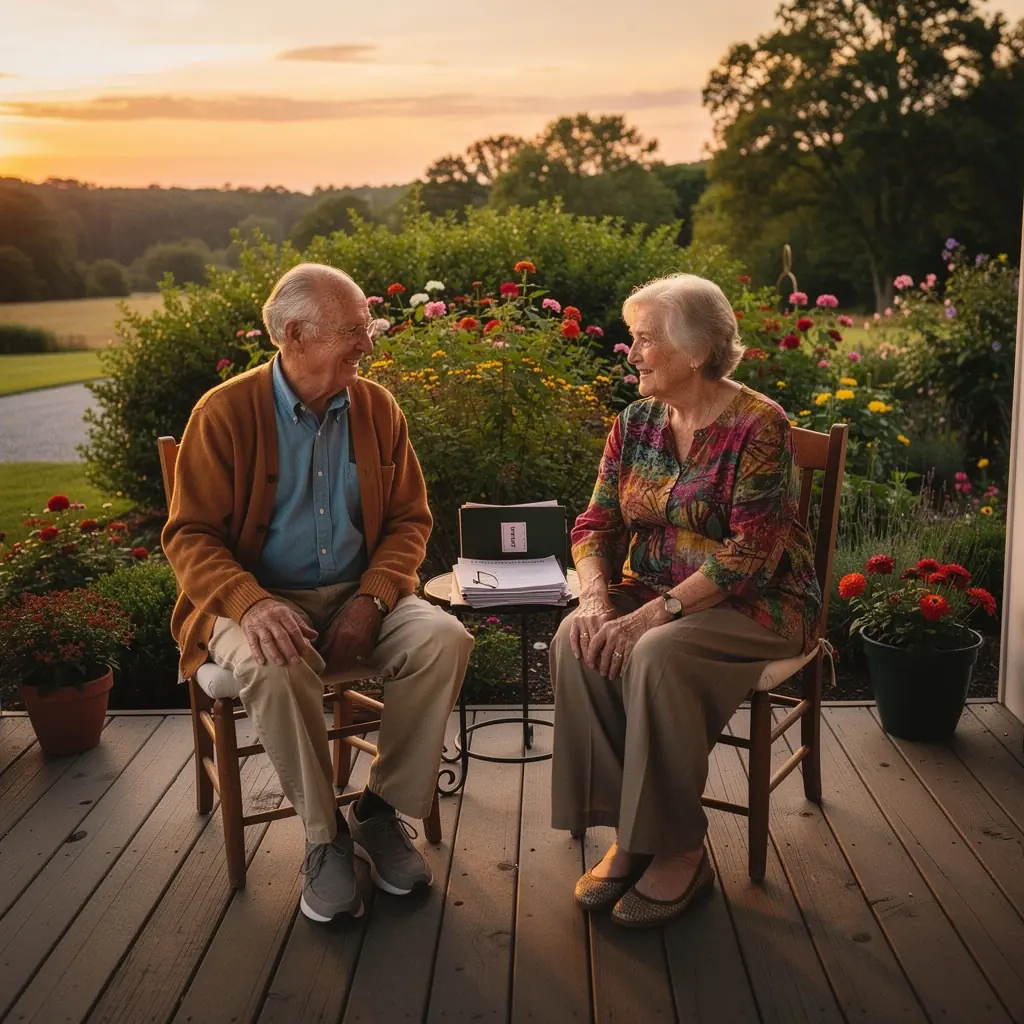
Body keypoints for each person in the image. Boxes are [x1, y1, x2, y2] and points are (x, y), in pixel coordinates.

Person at [163, 263, 473, 924]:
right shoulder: (223, 414)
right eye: (354, 330)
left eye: (367, 328)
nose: (368, 344)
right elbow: (189, 535)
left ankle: (379, 811)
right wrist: (251, 602)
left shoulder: (377, 406)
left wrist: (375, 597)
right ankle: (323, 838)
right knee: (275, 661)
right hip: (253, 597)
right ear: (296, 335)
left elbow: (410, 520)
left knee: (445, 639)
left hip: (360, 591)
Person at [549, 273, 820, 929]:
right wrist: (595, 602)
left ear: (695, 350)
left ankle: (681, 850)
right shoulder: (636, 423)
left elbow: (752, 552)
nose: (632, 352)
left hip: (760, 603)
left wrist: (652, 615)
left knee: (660, 654)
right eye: (633, 339)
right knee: (575, 640)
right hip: (658, 587)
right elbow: (595, 525)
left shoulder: (760, 425)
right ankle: (631, 833)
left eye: (645, 340)